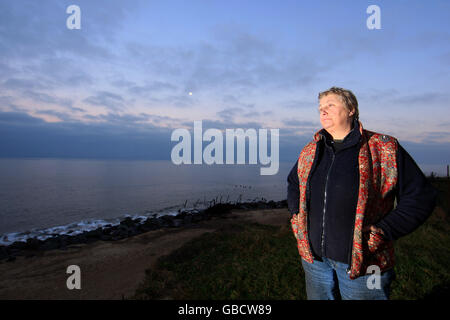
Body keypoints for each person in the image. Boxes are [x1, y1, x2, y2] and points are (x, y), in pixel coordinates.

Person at [286, 87, 437, 300]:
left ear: (351, 110)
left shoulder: (384, 148)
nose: (323, 111)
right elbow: (294, 182)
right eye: (320, 107)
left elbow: (421, 196)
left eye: (330, 105)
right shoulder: (311, 150)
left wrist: (385, 230)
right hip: (314, 260)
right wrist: (296, 215)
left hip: (366, 260)